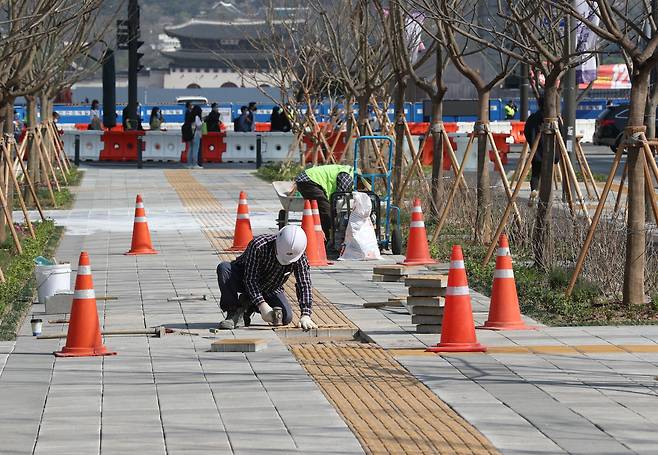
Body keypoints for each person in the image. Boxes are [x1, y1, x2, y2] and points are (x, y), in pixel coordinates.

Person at [216, 225, 318, 331]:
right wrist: (262, 305)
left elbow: (304, 283)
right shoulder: (259, 245)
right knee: (224, 268)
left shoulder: (299, 255)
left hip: (270, 287)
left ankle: (247, 306)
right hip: (244, 279)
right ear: (277, 243)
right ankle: (233, 312)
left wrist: (306, 314)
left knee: (285, 317)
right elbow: (250, 279)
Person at [292, 164, 355, 239]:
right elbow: (338, 199)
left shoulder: (349, 174)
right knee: (326, 212)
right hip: (308, 180)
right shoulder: (347, 177)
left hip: (309, 179)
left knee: (322, 211)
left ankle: (321, 235)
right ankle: (327, 239)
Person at [524, 97, 560, 206]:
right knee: (548, 173)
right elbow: (560, 134)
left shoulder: (532, 118)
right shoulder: (555, 119)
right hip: (551, 152)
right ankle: (546, 194)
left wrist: (532, 143)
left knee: (535, 173)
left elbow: (526, 132)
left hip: (536, 150)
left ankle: (534, 189)